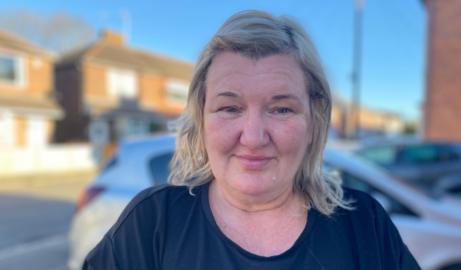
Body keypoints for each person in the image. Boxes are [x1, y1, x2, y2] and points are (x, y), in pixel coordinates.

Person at [83, 10, 420, 270]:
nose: (254, 137)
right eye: (230, 108)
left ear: (313, 123)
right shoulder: (152, 222)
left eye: (282, 109)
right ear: (201, 119)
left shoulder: (365, 225)